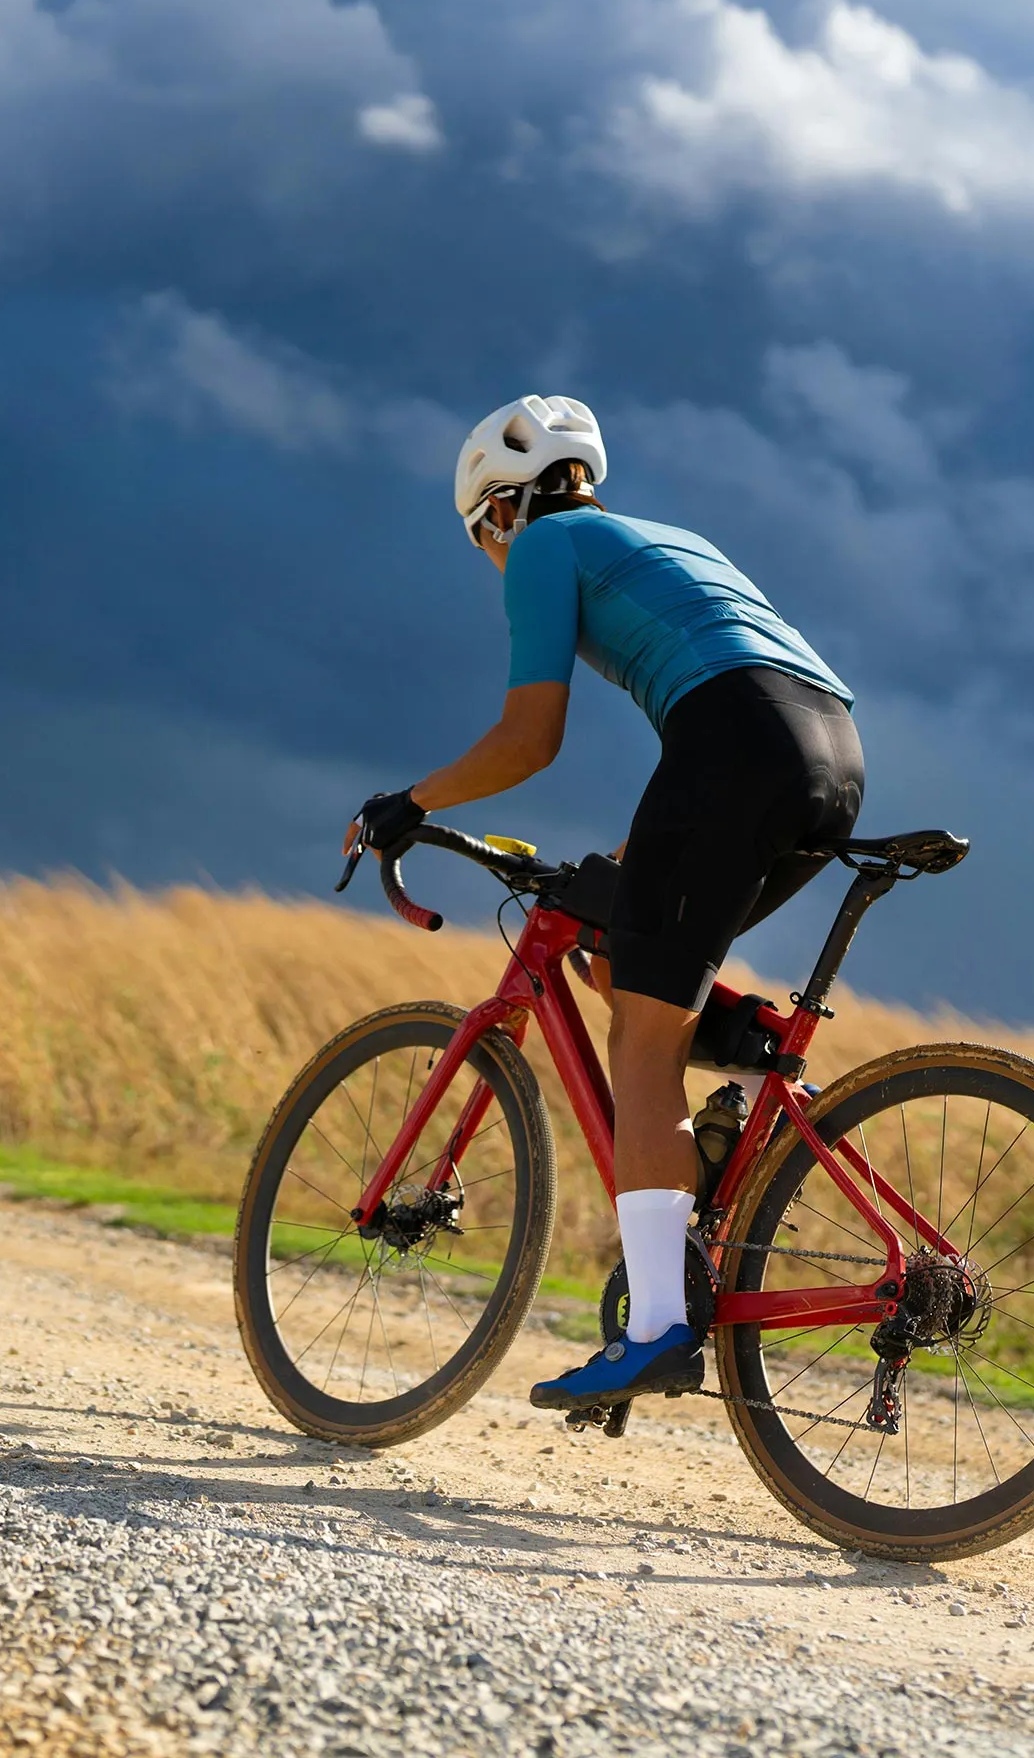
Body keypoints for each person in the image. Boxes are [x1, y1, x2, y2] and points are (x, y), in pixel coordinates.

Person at [343, 394, 864, 1411]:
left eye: (480, 539)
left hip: (731, 748)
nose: (493, 557)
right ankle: (724, 1126)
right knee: (617, 954)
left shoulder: (545, 547)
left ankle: (658, 1325)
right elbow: (745, 698)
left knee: (642, 1039)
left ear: (498, 511)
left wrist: (407, 803)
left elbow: (528, 740)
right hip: (832, 750)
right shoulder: (661, 537)